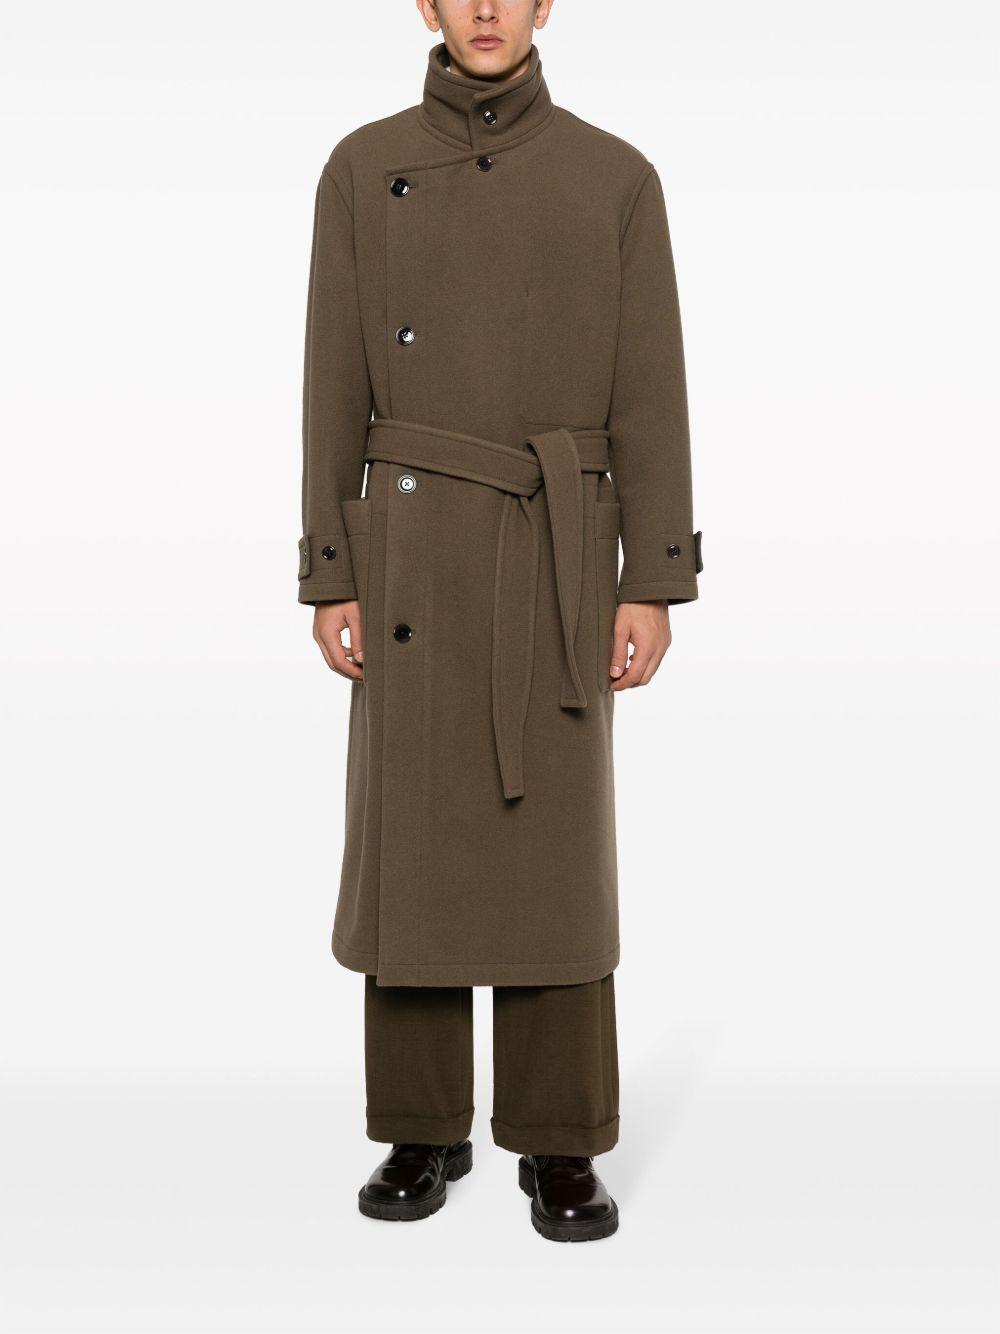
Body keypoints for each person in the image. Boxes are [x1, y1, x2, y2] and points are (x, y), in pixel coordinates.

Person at [298, 0, 700, 1243]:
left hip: (554, 548)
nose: (484, 9)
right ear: (424, 4)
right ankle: (420, 1123)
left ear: (543, 4)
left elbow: (651, 387)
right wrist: (332, 567)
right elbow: (330, 379)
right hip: (413, 553)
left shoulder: (614, 177)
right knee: (413, 843)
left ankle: (560, 1134)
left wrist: (650, 576)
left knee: (554, 853)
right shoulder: (363, 167)